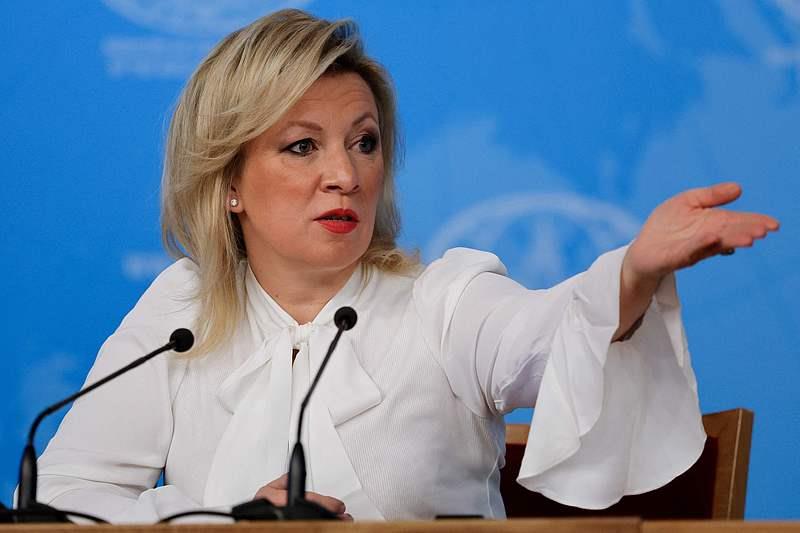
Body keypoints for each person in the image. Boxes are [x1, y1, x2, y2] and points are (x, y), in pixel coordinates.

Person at [35, 9, 778, 523]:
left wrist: (632, 276)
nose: (345, 175)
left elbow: (546, 335)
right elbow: (61, 496)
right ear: (229, 180)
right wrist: (220, 522)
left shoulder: (445, 299)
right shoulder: (185, 309)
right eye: (303, 146)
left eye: (364, 142)